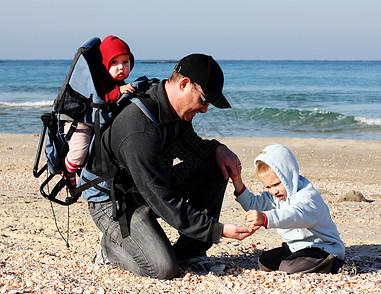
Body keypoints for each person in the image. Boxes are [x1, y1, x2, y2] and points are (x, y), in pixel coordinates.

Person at [87, 53, 255, 279]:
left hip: (145, 187)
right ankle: (111, 248)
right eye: (204, 100)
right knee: (162, 268)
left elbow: (190, 145)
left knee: (215, 166)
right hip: (114, 204)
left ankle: (190, 253)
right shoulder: (138, 129)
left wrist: (217, 148)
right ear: (185, 84)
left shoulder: (173, 109)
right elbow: (164, 200)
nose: (205, 109)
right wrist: (218, 230)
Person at [229, 144, 348, 274]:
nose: (273, 191)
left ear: (288, 175)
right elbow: (255, 204)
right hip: (296, 248)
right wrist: (237, 180)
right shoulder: (277, 196)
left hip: (323, 248)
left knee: (288, 268)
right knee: (265, 262)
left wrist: (265, 218)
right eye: (268, 187)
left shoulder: (307, 196)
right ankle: (299, 260)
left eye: (276, 184)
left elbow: (296, 215)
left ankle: (335, 264)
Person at [63, 35, 135, 186]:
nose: (121, 67)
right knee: (79, 154)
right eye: (114, 62)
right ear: (104, 65)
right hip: (80, 122)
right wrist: (119, 91)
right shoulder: (99, 81)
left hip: (97, 122)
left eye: (125, 62)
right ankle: (68, 170)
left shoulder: (119, 82)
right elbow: (101, 98)